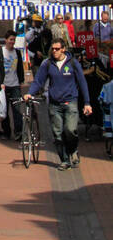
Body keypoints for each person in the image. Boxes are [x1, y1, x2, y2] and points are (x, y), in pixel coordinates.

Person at [29, 37, 92, 171]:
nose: (55, 51)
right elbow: (38, 81)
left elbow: (82, 82)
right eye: (53, 49)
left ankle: (73, 150)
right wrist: (30, 93)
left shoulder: (73, 63)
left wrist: (87, 103)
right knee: (57, 134)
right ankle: (64, 160)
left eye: (57, 49)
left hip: (70, 102)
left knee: (70, 130)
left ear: (63, 49)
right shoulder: (47, 64)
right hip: (54, 104)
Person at [0, 31, 25, 140]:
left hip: (15, 85)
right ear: (6, 40)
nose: (12, 42)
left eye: (14, 40)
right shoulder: (0, 52)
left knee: (17, 110)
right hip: (4, 85)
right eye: (10, 39)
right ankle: (6, 132)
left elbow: (20, 68)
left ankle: (18, 132)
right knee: (4, 109)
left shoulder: (17, 53)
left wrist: (21, 80)